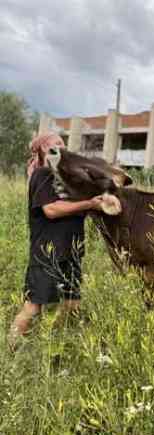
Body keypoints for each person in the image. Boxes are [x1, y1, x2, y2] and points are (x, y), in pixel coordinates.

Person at [8, 133, 104, 350]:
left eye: (63, 143)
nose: (62, 146)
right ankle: (10, 351)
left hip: (70, 252)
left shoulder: (64, 178)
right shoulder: (43, 174)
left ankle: (49, 342)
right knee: (33, 307)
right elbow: (51, 210)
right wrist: (89, 204)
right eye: (56, 143)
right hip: (47, 253)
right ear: (43, 148)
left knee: (72, 305)